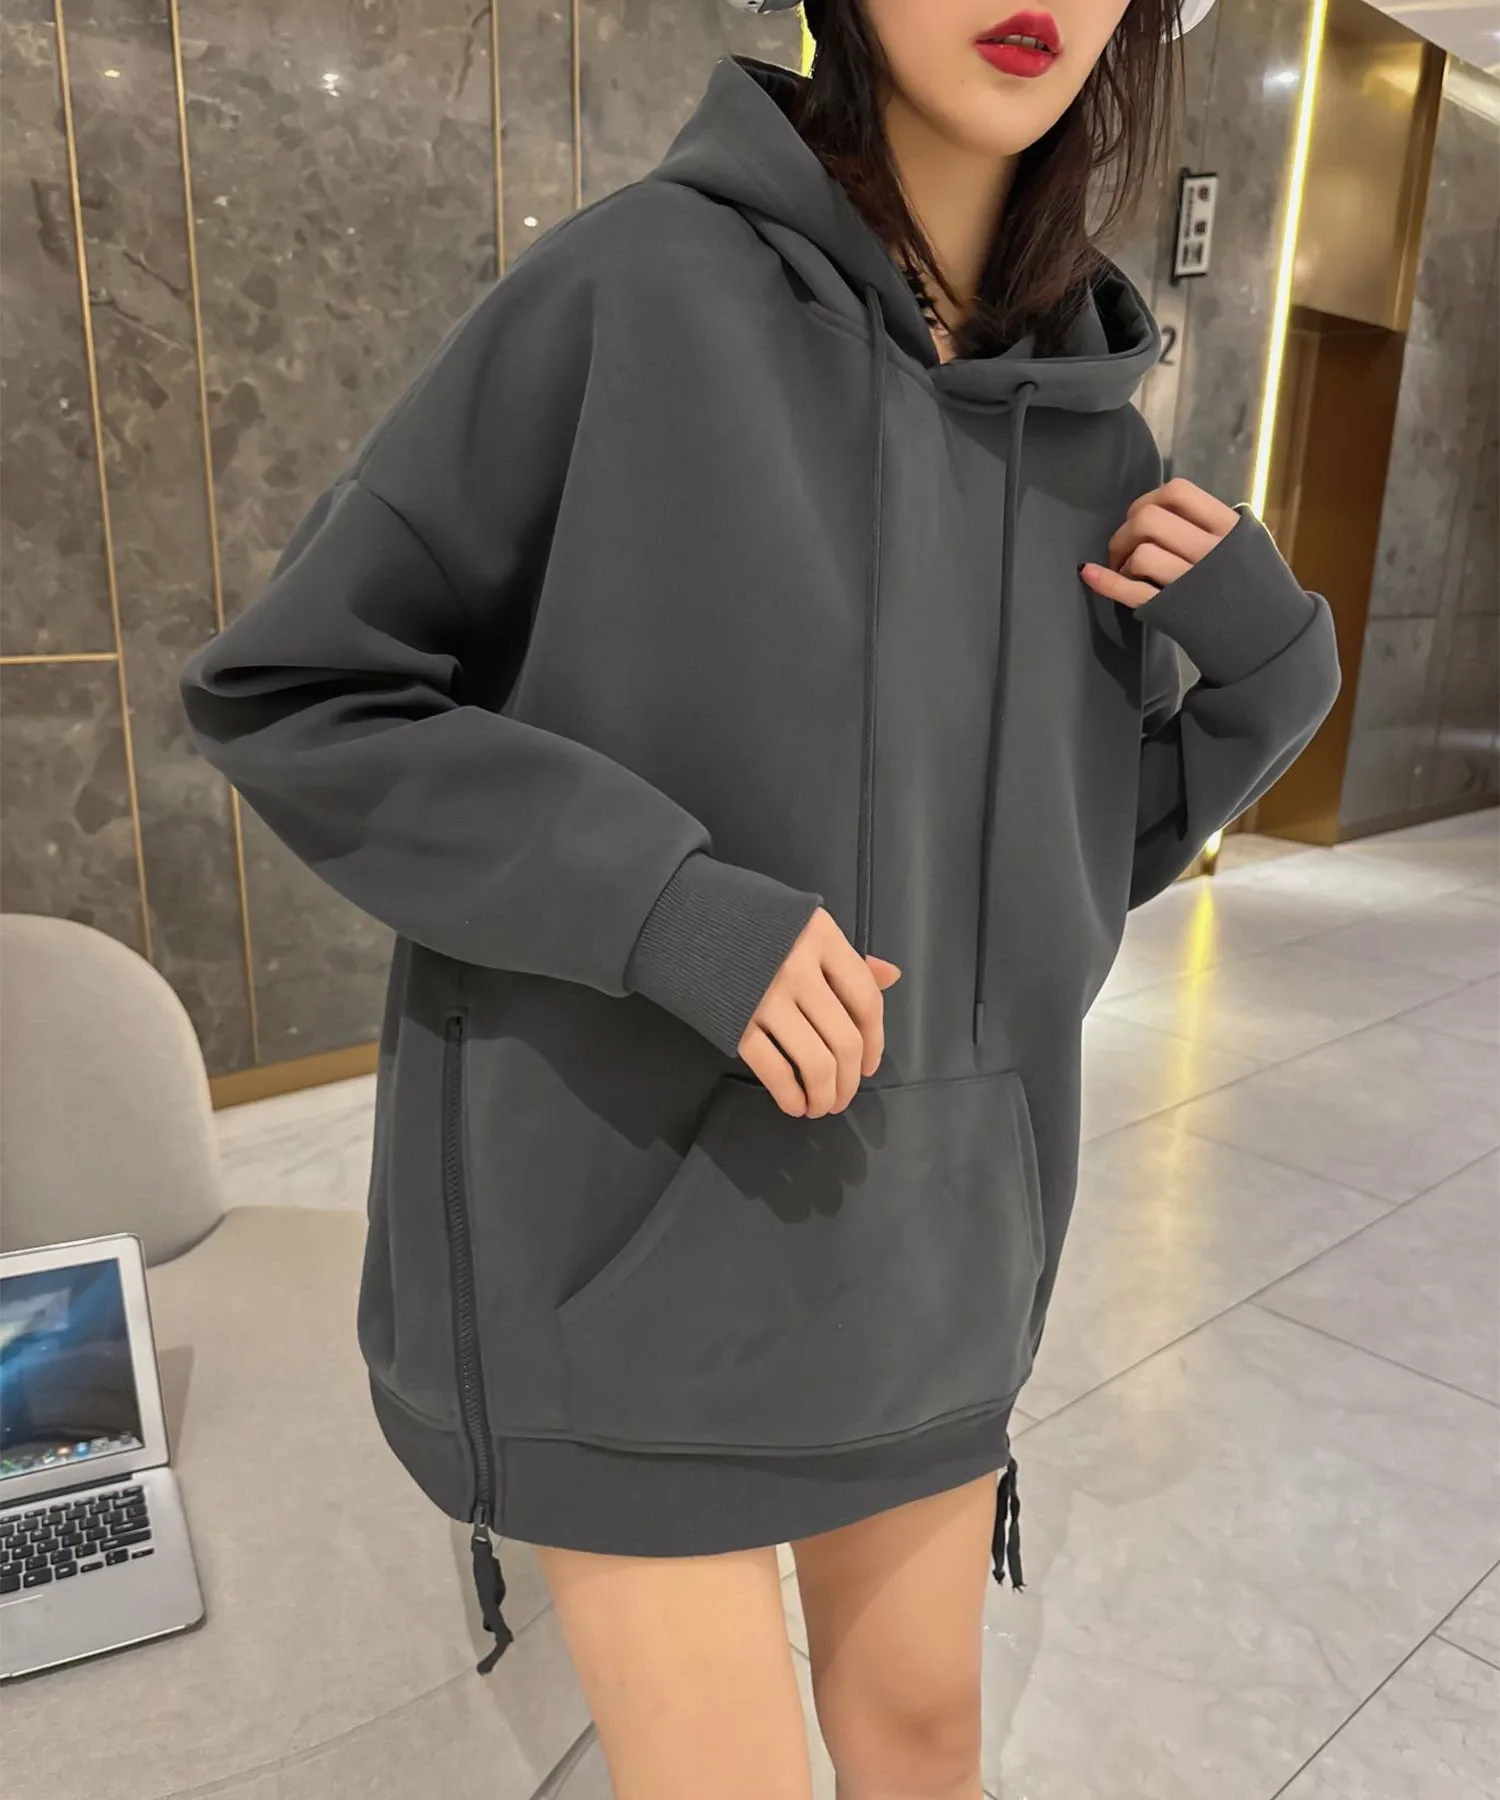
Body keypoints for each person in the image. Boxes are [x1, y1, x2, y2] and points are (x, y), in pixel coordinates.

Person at [180, 1, 1340, 1793]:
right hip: (631, 1258)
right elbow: (298, 693)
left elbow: (1031, 894)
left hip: (929, 1255)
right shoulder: (631, 294)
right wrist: (671, 906)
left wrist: (1268, 689)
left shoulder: (1090, 432)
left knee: (925, 1744)